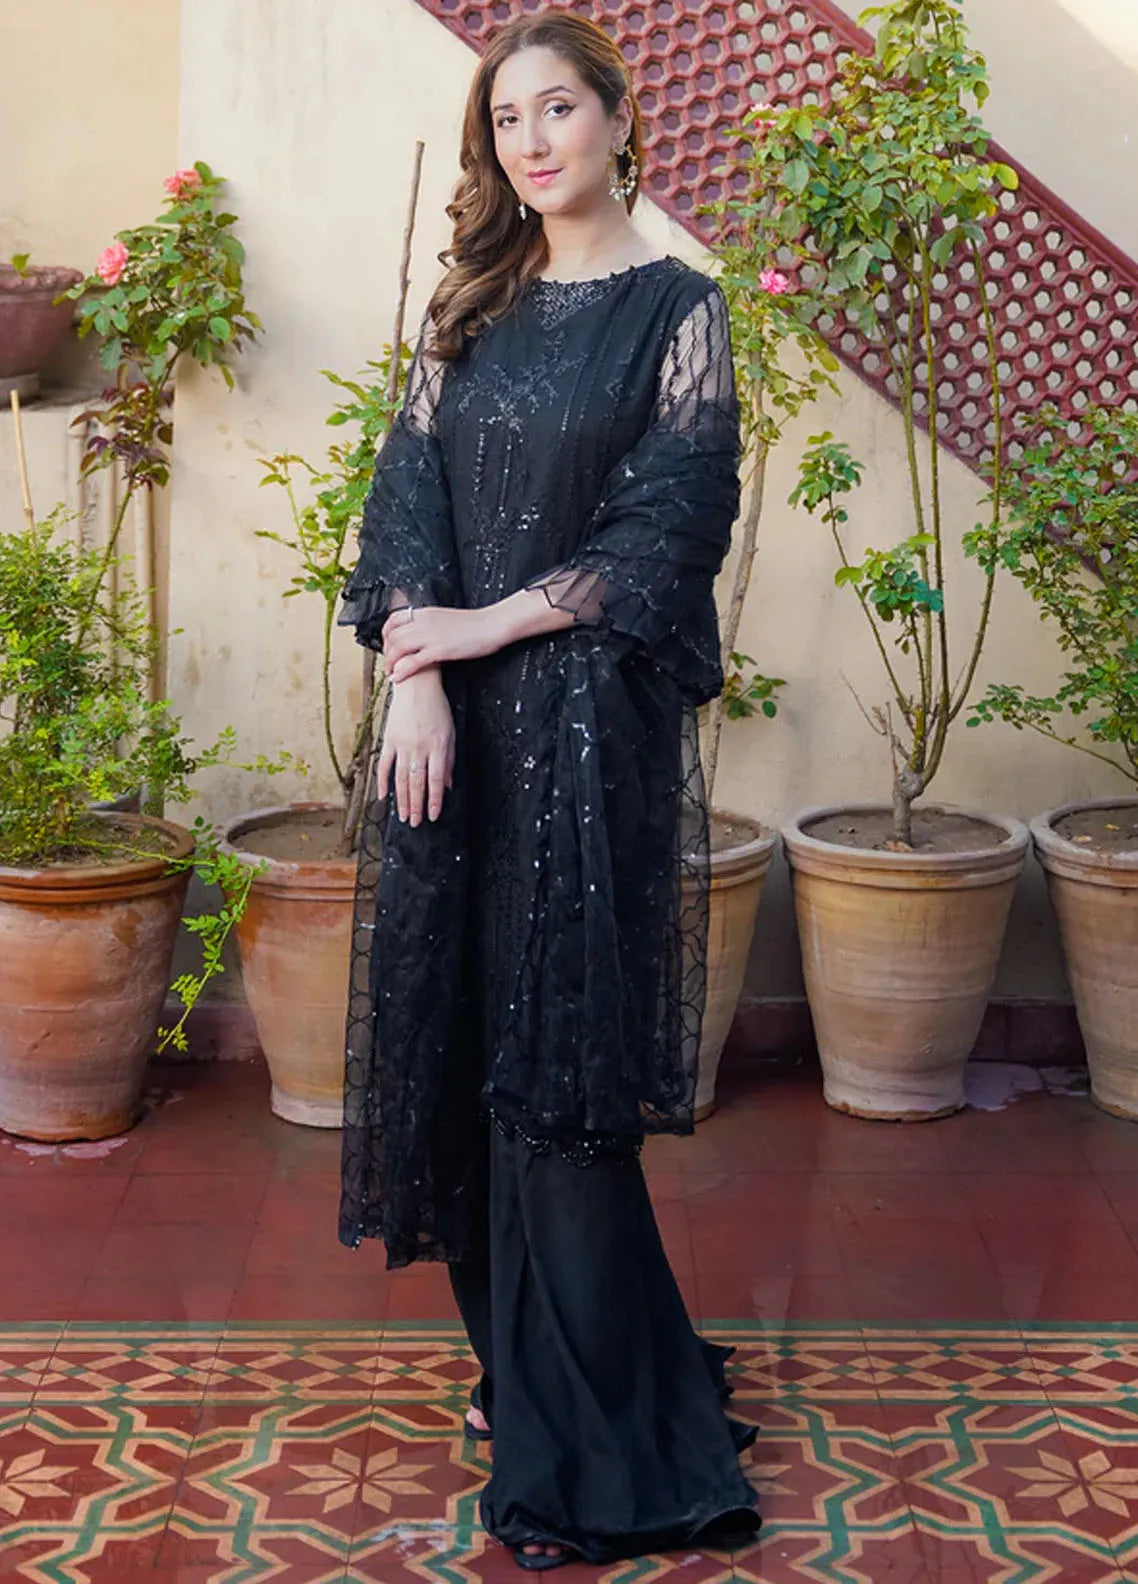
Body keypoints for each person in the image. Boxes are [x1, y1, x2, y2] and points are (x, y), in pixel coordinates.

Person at [337, 7, 761, 1571]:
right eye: (505, 120)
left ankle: (592, 1423)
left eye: (556, 110)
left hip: (586, 738)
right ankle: (526, 1364)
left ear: (615, 118)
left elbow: (667, 532)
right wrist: (419, 669)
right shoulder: (469, 303)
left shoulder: (678, 310)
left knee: (554, 1057)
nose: (530, 142)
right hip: (448, 735)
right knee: (456, 1042)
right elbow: (403, 504)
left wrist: (488, 627)